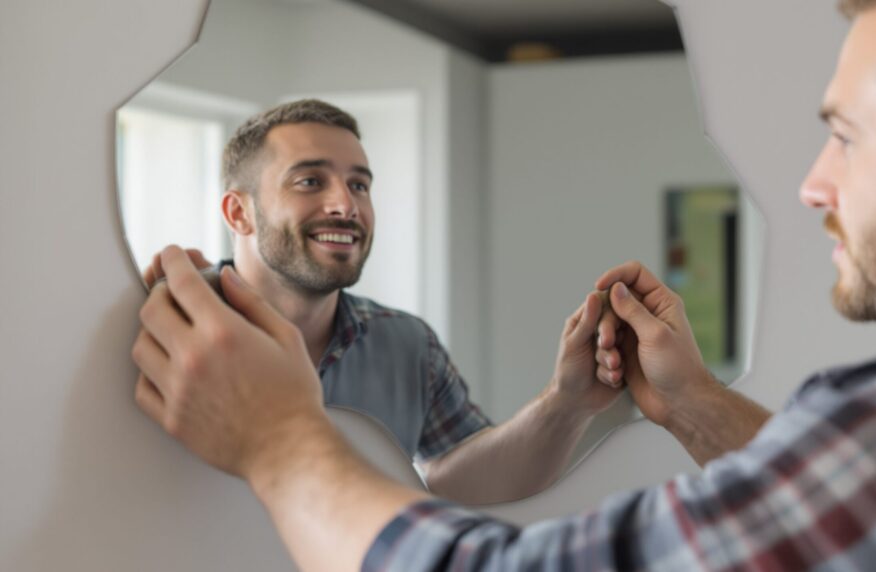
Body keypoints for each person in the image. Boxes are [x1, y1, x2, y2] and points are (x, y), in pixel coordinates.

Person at [131, 0, 876, 569]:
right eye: (312, 180)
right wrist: (688, 403)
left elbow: (474, 526)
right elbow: (839, 504)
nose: (813, 184)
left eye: (847, 135)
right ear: (236, 213)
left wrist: (280, 444)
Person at [141, 100, 624, 505]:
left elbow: (460, 487)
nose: (346, 205)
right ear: (238, 212)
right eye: (311, 181)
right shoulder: (169, 329)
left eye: (359, 184)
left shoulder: (408, 344)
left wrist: (567, 401)